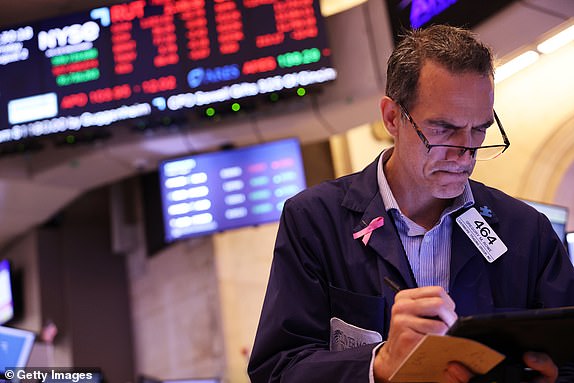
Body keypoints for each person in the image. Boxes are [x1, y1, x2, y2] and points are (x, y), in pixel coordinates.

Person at [247, 25, 574, 383]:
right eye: (443, 129)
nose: (465, 155)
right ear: (392, 117)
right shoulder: (314, 221)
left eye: (479, 129)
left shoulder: (527, 231)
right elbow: (277, 370)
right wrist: (379, 365)